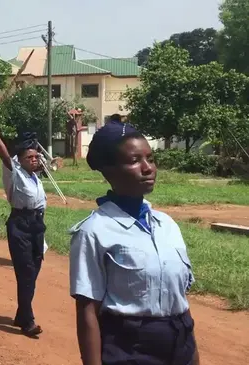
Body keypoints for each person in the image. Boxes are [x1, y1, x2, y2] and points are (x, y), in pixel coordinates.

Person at [68, 120, 199, 365]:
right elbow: (87, 312)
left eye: (150, 158)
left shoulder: (167, 225)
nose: (147, 168)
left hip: (180, 345)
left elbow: (180, 302)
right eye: (134, 161)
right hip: (130, 350)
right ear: (109, 171)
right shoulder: (94, 232)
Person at [0, 122, 46, 338]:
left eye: (36, 157)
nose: (34, 160)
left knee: (34, 270)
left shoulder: (35, 176)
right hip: (20, 225)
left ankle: (21, 313)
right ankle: (27, 321)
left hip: (37, 225)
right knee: (26, 272)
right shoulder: (14, 172)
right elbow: (3, 153)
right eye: (30, 157)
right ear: (20, 160)